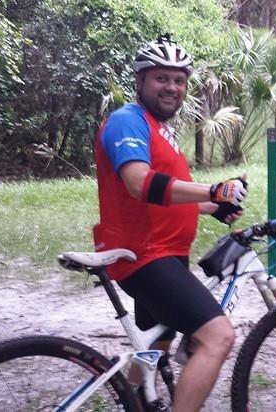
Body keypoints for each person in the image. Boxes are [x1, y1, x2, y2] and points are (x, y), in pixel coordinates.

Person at [93, 34, 248, 411]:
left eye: (179, 80)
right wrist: (212, 190)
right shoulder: (127, 121)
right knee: (218, 337)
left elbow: (164, 197)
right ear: (141, 81)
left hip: (164, 255)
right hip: (144, 257)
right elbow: (139, 183)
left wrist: (212, 207)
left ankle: (132, 405)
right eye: (161, 78)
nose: (172, 87)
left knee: (154, 346)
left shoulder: (161, 129)